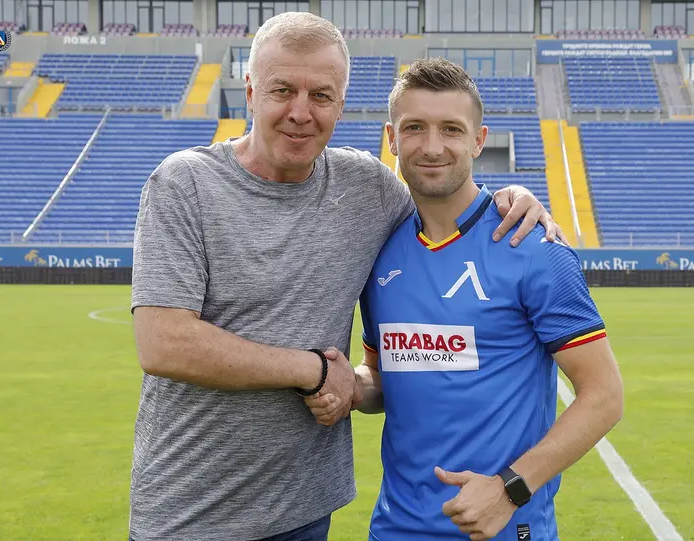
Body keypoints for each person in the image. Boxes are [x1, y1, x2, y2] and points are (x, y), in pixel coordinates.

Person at [129, 13, 563, 541]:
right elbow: (164, 344)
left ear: (341, 105)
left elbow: (446, 196)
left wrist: (510, 198)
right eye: (282, 90)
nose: (300, 112)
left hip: (308, 508)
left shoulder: (367, 190)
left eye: (321, 96)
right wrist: (311, 370)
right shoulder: (185, 183)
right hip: (191, 512)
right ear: (250, 92)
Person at [306, 58, 624, 541]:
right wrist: (349, 386)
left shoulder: (534, 249)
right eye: (414, 127)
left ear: (478, 139)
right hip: (395, 529)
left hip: (505, 528)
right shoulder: (379, 253)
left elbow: (604, 396)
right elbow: (385, 379)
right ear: (392, 138)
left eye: (451, 129)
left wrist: (509, 488)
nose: (432, 146)